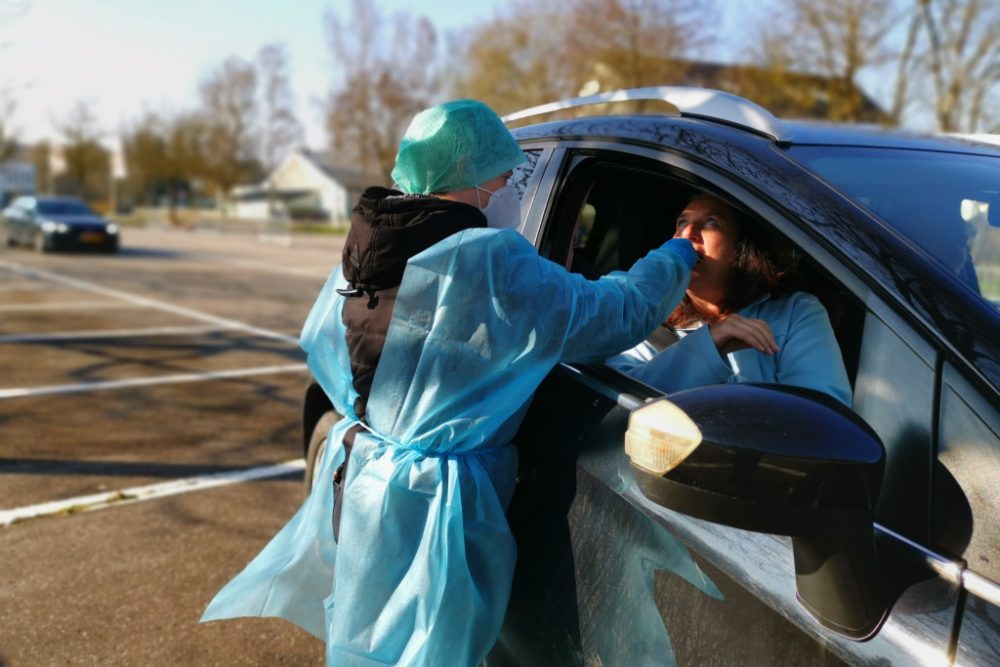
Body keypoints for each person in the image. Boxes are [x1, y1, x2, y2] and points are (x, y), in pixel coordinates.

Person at [200, 99, 699, 666]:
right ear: (471, 177)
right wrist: (679, 252)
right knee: (434, 648)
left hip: (367, 480)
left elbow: (330, 345)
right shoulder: (487, 265)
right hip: (439, 507)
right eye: (505, 176)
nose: (512, 186)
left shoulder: (371, 248)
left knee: (376, 641)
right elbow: (615, 312)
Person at [608, 192, 852, 406]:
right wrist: (711, 344)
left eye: (711, 223)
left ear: (741, 246)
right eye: (682, 222)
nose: (688, 234)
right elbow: (616, 404)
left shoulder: (796, 312)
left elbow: (821, 415)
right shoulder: (642, 307)